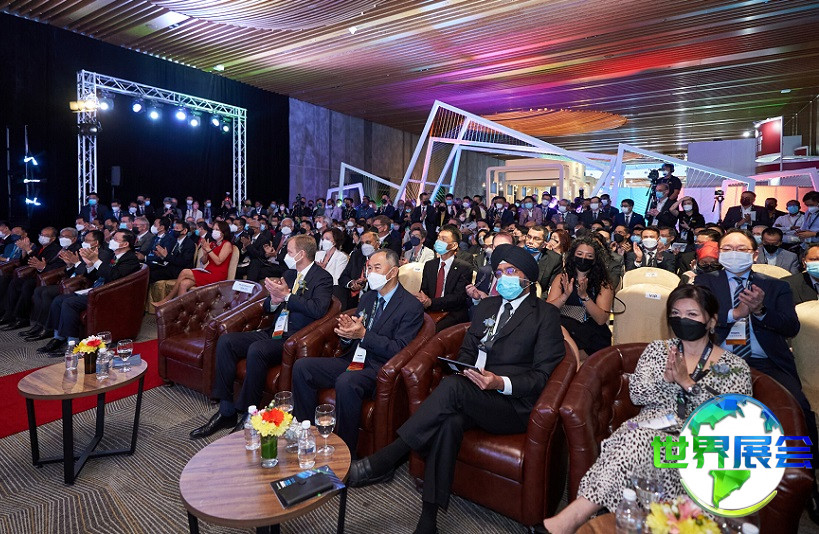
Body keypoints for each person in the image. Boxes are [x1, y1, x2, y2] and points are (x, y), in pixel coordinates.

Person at [347, 244, 565, 534]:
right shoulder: (487, 306)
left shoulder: (545, 315)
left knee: (452, 389)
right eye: (500, 272)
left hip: (513, 404)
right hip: (476, 392)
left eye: (511, 271)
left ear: (528, 278)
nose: (504, 278)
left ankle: (387, 458)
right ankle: (428, 519)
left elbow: (542, 376)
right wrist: (465, 369)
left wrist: (499, 382)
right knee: (448, 422)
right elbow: (467, 352)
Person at [538, 285, 751, 534]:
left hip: (699, 446)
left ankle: (576, 517)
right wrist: (666, 380)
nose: (682, 320)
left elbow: (734, 419)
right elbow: (637, 394)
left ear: (711, 321)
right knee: (635, 438)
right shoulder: (658, 350)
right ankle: (582, 517)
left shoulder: (735, 366)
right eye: (676, 314)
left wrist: (687, 383)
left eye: (692, 314)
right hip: (649, 432)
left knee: (632, 441)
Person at [695, 228, 819, 521]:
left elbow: (790, 327)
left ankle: (808, 482)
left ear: (754, 255)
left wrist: (761, 310)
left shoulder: (776, 286)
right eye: (727, 249)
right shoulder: (705, 283)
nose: (734, 254)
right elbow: (698, 320)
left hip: (767, 363)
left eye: (741, 249)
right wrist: (734, 315)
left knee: (799, 409)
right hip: (720, 360)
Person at [191, 234, 334, 439]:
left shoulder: (322, 278)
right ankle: (226, 410)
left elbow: (318, 309)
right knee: (226, 341)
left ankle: (249, 414)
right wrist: (274, 300)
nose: (286, 255)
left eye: (290, 251)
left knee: (256, 350)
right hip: (274, 331)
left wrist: (287, 296)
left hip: (294, 338)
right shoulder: (289, 273)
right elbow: (269, 306)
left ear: (301, 254)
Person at [292, 248, 424, 453]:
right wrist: (347, 335)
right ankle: (308, 433)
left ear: (393, 272)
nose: (371, 273)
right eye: (369, 268)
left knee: (346, 382)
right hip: (353, 359)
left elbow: (399, 349)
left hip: (378, 367)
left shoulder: (410, 306)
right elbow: (353, 336)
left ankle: (346, 451)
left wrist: (363, 335)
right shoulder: (368, 298)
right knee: (303, 367)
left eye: (377, 268)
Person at [37, 230, 140, 354]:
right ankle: (58, 337)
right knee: (59, 299)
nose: (112, 241)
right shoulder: (113, 255)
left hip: (109, 294)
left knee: (70, 303)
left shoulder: (130, 259)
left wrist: (96, 260)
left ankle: (72, 342)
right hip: (99, 290)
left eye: (116, 239)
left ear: (125, 244)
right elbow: (97, 275)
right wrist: (90, 264)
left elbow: (114, 276)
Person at [23, 230, 101, 342]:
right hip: (69, 281)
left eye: (87, 240)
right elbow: (71, 270)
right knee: (40, 290)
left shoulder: (98, 253)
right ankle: (43, 327)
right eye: (84, 240)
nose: (84, 242)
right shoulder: (80, 250)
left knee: (49, 294)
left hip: (80, 284)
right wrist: (70, 265)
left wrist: (77, 263)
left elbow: (87, 273)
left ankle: (54, 332)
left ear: (96, 242)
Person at [547, 237, 614, 358]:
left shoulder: (604, 284)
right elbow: (547, 310)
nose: (583, 258)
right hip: (561, 327)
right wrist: (565, 295)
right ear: (573, 256)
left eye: (589, 256)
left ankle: (573, 360)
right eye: (579, 254)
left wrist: (584, 297)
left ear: (595, 260)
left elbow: (601, 319)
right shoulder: (561, 278)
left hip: (590, 333)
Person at [152, 221, 234, 307]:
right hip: (208, 271)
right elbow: (204, 261)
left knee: (184, 272)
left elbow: (218, 261)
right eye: (213, 229)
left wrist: (209, 250)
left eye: (217, 229)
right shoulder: (212, 244)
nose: (214, 231)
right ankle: (182, 310)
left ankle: (167, 299)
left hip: (218, 275)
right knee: (184, 284)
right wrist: (205, 254)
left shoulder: (227, 244)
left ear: (223, 232)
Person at [416, 225, 471, 332]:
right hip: (429, 310)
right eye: (438, 237)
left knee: (431, 331)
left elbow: (458, 298)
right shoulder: (430, 265)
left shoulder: (464, 268)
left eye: (443, 239)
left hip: (452, 312)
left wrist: (432, 302)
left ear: (454, 245)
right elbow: (424, 289)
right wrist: (422, 298)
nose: (438, 241)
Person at [339, 230, 378, 309]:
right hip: (354, 300)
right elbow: (343, 277)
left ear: (377, 244)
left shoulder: (384, 257)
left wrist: (365, 284)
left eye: (368, 242)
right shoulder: (356, 255)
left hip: (374, 299)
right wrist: (352, 283)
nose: (365, 246)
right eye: (362, 243)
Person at [523, 225, 562, 293]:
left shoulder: (554, 260)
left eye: (536, 239)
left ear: (544, 244)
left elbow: (550, 290)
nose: (530, 241)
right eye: (529, 237)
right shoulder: (515, 253)